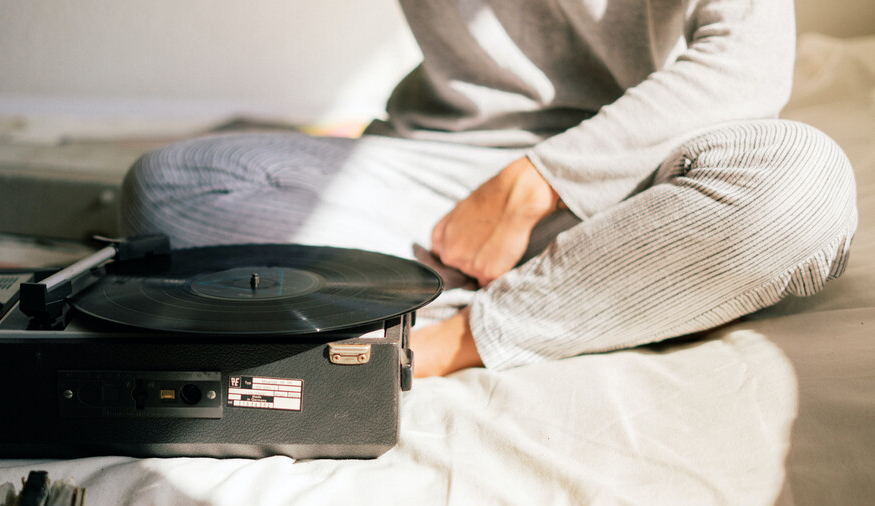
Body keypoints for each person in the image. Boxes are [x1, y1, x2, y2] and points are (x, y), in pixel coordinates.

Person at [121, 0, 857, 378]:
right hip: (451, 167)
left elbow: (749, 67)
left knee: (801, 187)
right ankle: (611, 284)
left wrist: (541, 181)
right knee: (173, 189)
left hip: (653, 162)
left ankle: (461, 336)